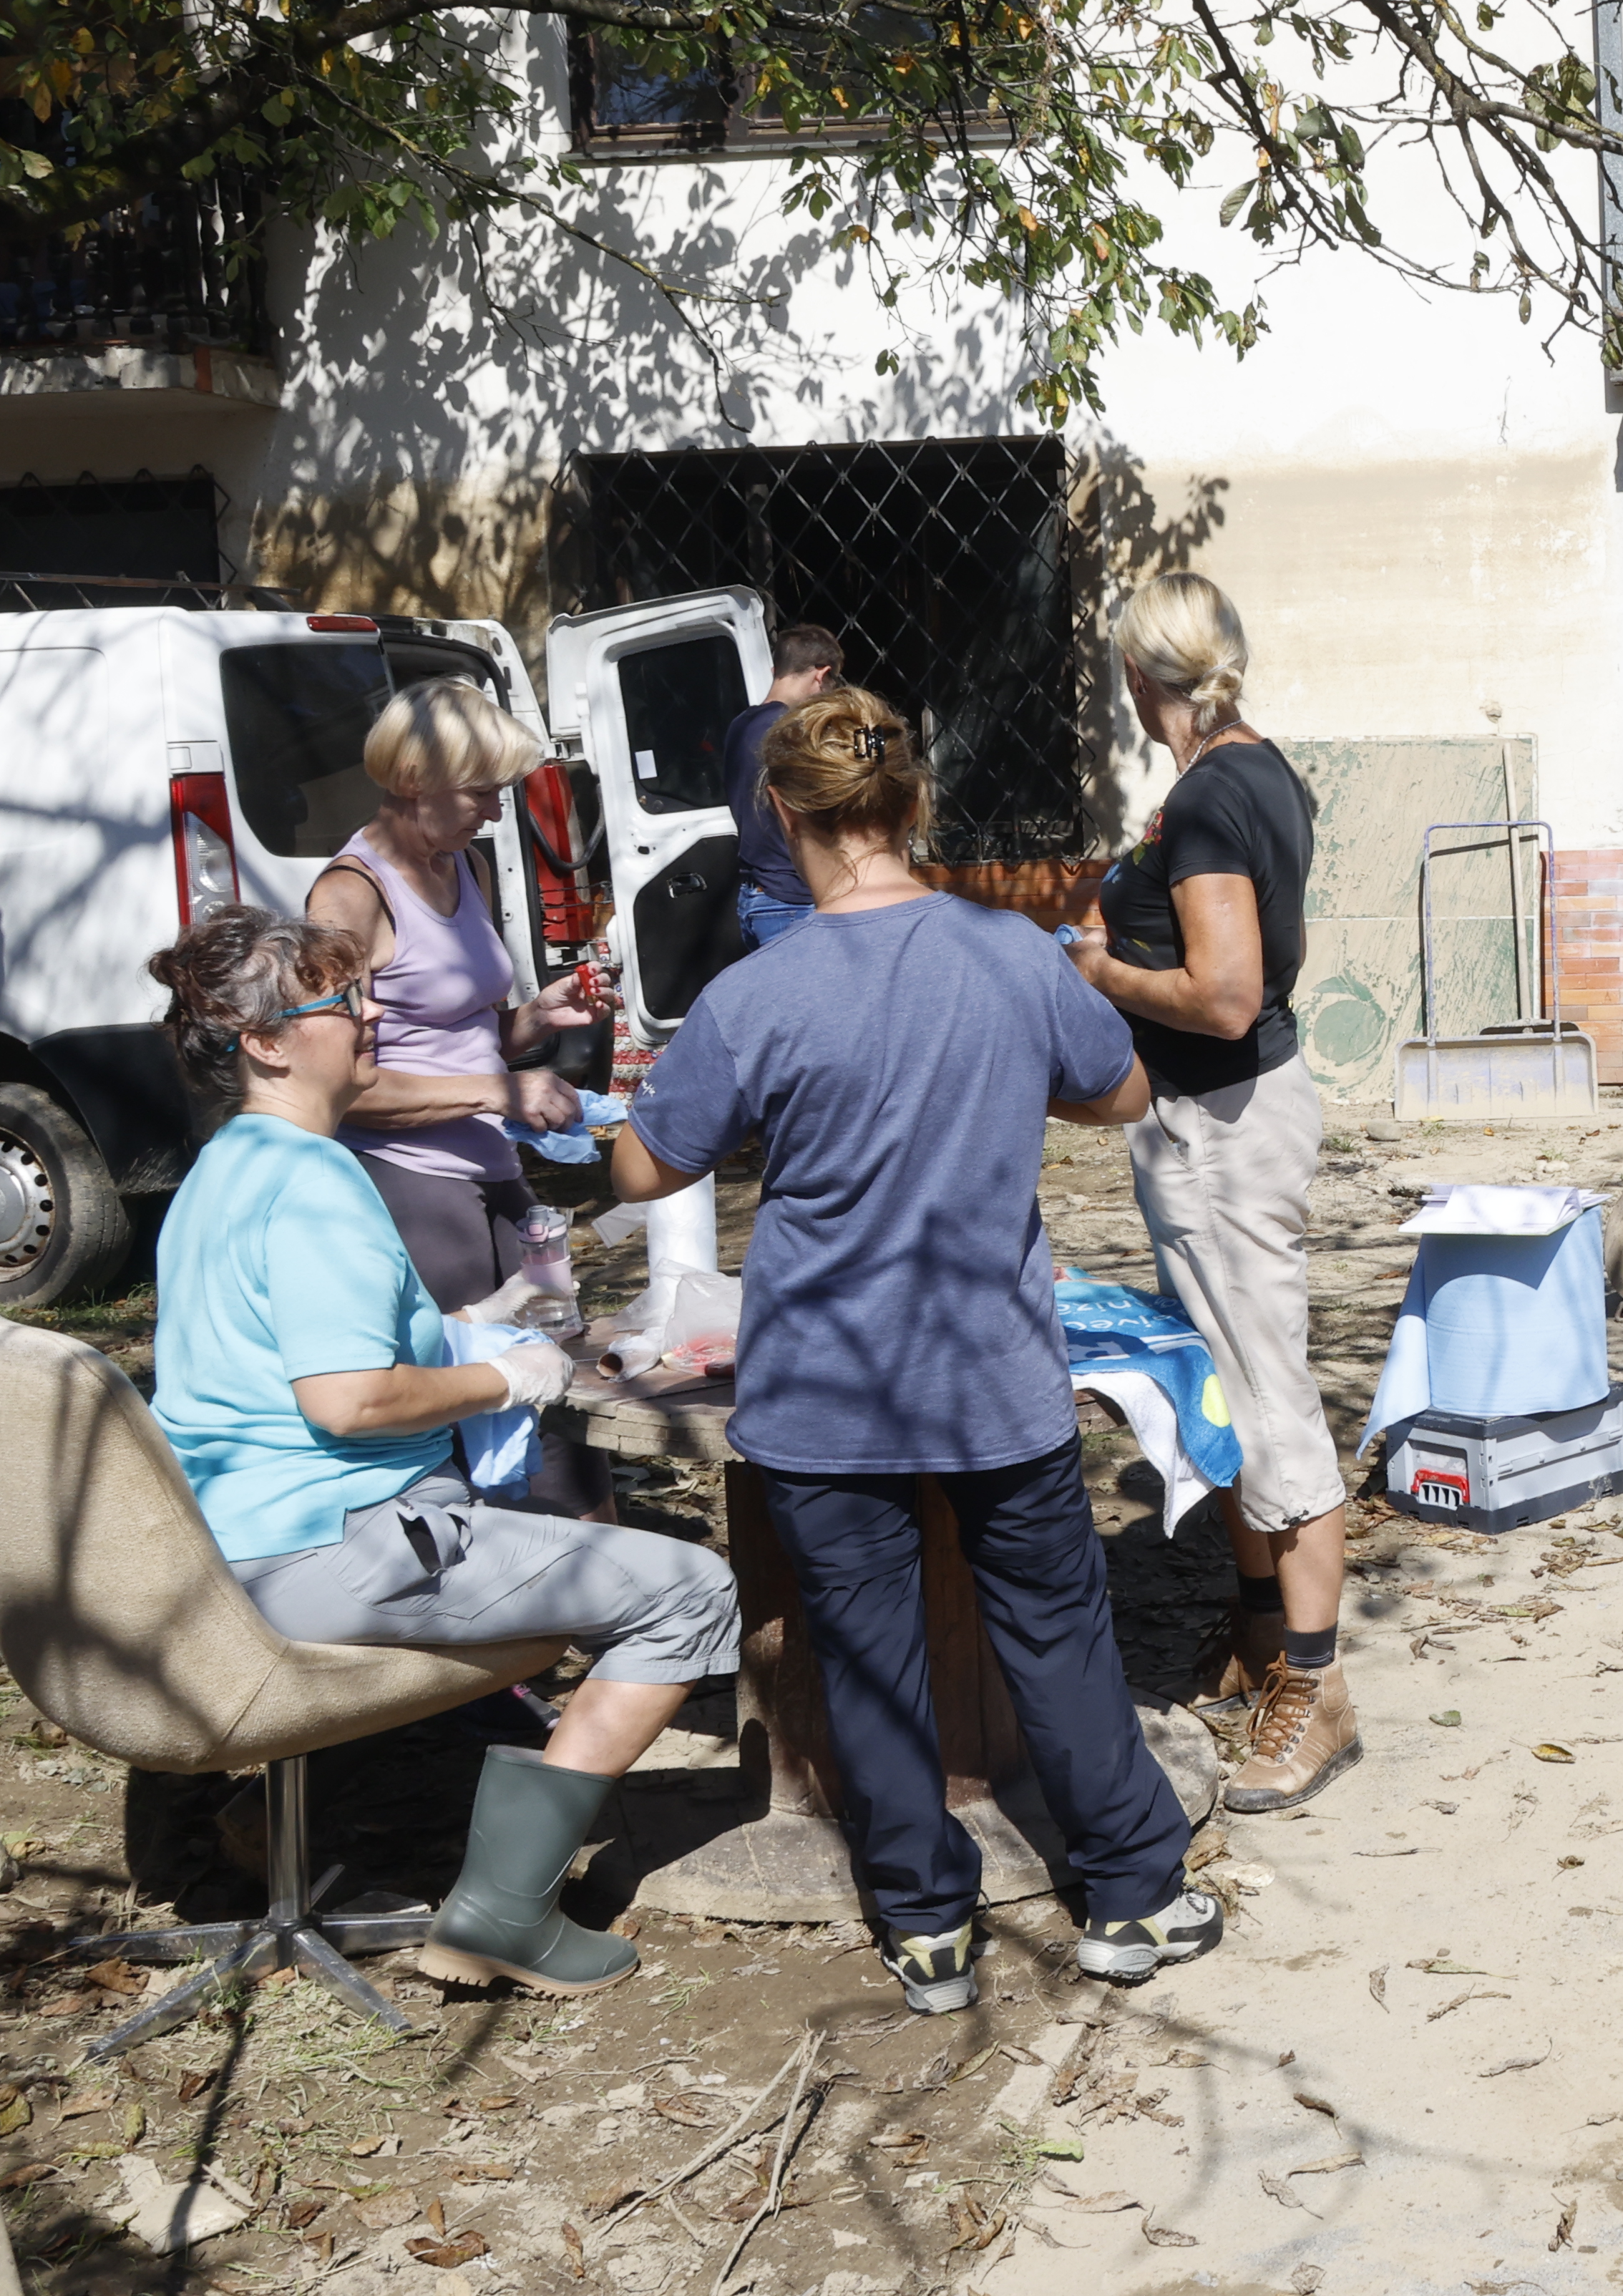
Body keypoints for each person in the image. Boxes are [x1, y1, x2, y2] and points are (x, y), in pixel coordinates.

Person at [607, 690, 1209, 2011]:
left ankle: (928, 1929)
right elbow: (1121, 1091)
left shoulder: (753, 995)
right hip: (991, 1375)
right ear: (914, 803)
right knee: (1057, 1637)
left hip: (825, 1393)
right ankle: (1136, 1895)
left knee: (868, 1662)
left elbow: (647, 1163)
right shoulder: (1009, 957)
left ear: (779, 814)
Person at [143, 907, 739, 1997]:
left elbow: (290, 1360)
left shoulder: (224, 1168)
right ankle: (504, 1914)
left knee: (568, 1559)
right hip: (331, 1553)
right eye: (340, 1002)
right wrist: (505, 1379)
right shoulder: (317, 1181)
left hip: (230, 1552)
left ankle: (291, 1825)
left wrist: (480, 1333)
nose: (371, 1014)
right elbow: (349, 1400)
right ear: (266, 1041)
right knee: (693, 1591)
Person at [1071, 574, 1356, 1814]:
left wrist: (1097, 968)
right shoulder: (1259, 771)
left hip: (1226, 1122)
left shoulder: (1202, 805)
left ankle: (1321, 1690)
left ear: (1141, 679)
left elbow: (1227, 992)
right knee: (1231, 1384)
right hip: (1228, 1115)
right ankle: (1256, 1635)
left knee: (1270, 1398)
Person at [308, 680, 609, 1310]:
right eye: (482, 793)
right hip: (410, 1174)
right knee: (463, 1368)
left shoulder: (466, 865)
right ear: (415, 777)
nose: (497, 813)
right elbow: (334, 1081)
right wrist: (500, 1092)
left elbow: (465, 1037)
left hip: (492, 1158)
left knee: (548, 1337)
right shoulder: (349, 896)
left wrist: (537, 1018)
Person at [725, 623, 844, 950]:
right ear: (822, 675)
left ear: (776, 670)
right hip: (791, 898)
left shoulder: (739, 726)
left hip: (753, 897)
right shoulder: (794, 730)